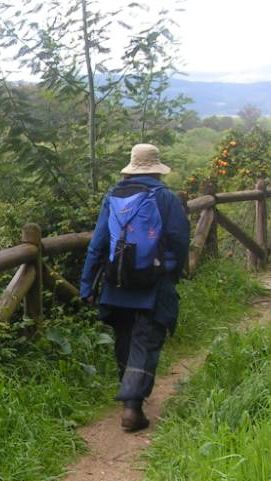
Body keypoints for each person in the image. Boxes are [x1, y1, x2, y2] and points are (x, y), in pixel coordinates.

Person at [78, 143, 190, 432]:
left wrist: (87, 284)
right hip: (153, 282)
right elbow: (179, 241)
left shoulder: (113, 196)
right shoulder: (165, 198)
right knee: (146, 340)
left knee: (125, 338)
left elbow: (98, 243)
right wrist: (172, 274)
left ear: (131, 168)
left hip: (117, 281)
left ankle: (129, 397)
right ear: (157, 169)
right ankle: (132, 407)